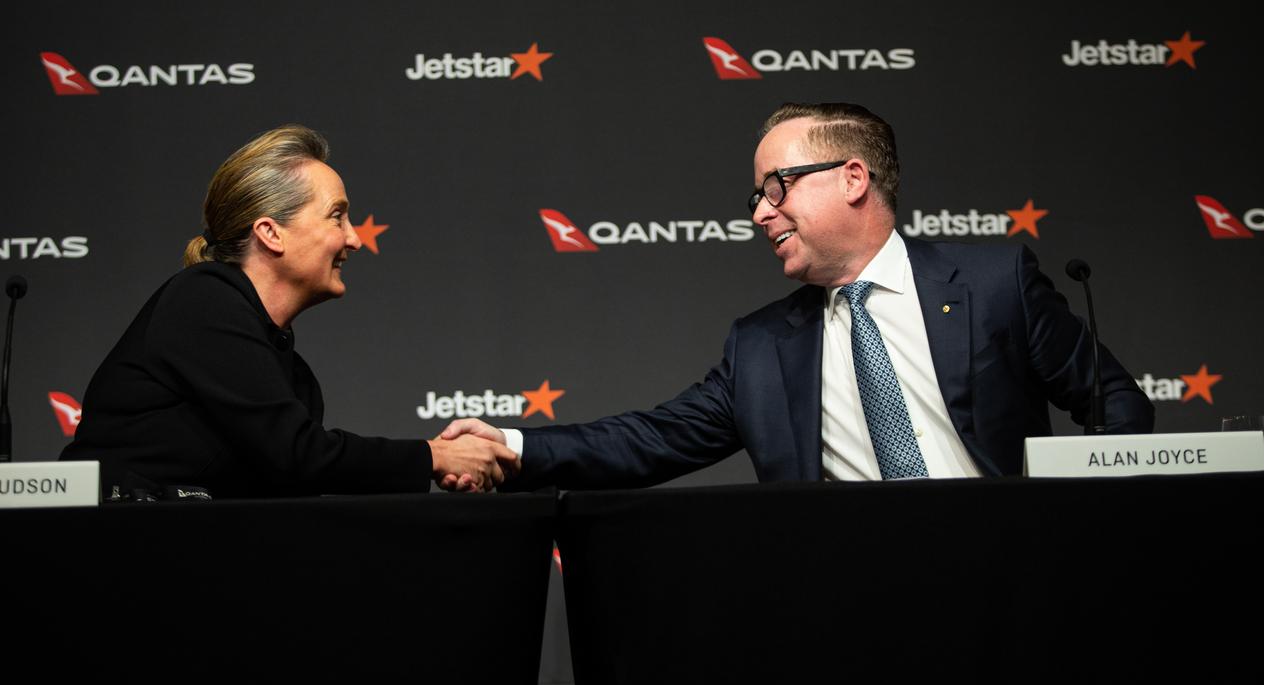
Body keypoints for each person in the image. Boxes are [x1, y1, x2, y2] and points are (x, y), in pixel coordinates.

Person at [439, 102, 1154, 490]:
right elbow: (650, 440)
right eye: (756, 196)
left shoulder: (995, 284)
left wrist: (1079, 524)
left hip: (1012, 581)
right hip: (844, 602)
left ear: (852, 178)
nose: (760, 213)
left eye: (776, 188)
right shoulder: (760, 347)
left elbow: (1115, 400)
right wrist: (515, 443)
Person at [62, 124, 515, 499]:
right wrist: (434, 457)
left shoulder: (293, 374)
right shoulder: (203, 298)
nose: (354, 239)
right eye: (337, 216)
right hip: (110, 566)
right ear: (271, 233)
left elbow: (295, 475)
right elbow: (299, 455)